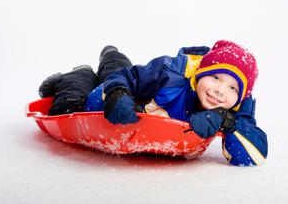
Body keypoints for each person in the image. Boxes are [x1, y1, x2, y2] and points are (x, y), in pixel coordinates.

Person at [39, 40, 268, 166]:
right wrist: (118, 93)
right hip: (112, 104)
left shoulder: (236, 104)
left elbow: (256, 154)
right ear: (200, 73)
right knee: (73, 105)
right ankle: (79, 73)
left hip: (142, 109)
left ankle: (111, 55)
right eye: (216, 77)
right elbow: (129, 78)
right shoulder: (171, 72)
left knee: (116, 71)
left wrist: (228, 123)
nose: (220, 90)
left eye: (232, 87)